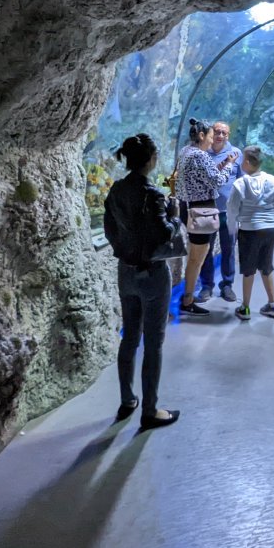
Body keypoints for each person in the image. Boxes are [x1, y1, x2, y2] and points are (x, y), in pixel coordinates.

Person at [102, 133, 181, 430]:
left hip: (126, 271)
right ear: (150, 160)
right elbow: (164, 233)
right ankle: (150, 410)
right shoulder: (152, 193)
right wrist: (174, 216)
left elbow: (110, 230)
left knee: (129, 337)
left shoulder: (116, 190)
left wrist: (125, 252)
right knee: (154, 343)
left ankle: (126, 399)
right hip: (153, 273)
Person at [173, 117, 238, 316]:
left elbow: (204, 177)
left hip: (189, 209)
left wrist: (224, 162)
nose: (212, 140)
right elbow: (217, 182)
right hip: (201, 212)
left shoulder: (186, 151)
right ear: (201, 135)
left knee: (197, 255)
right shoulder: (200, 156)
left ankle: (190, 296)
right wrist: (229, 165)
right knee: (197, 259)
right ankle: (188, 300)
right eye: (211, 135)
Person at [225, 146, 274, 320]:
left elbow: (232, 210)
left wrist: (233, 229)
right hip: (270, 228)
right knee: (266, 266)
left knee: (248, 269)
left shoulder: (240, 184)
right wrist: (267, 208)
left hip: (249, 230)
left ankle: (245, 308)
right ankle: (273, 305)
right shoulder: (273, 180)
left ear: (246, 162)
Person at [195, 120, 242, 304]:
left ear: (228, 135)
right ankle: (206, 286)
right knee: (205, 249)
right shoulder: (202, 153)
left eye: (224, 132)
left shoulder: (235, 154)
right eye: (217, 131)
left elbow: (242, 182)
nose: (220, 135)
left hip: (229, 213)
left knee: (229, 249)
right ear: (210, 132)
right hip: (207, 211)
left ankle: (227, 285)